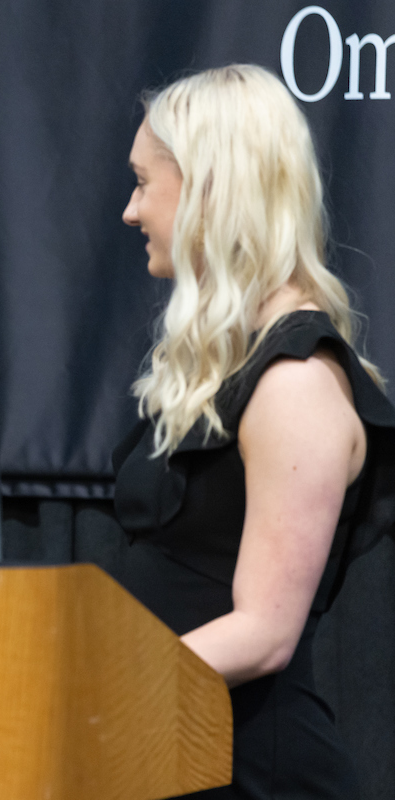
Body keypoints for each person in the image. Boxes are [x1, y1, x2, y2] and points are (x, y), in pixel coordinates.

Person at [114, 64, 395, 799]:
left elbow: (265, 631)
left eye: (144, 182)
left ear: (210, 188)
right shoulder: (238, 361)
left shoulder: (296, 380)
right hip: (179, 749)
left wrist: (96, 692)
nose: (130, 210)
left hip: (249, 770)